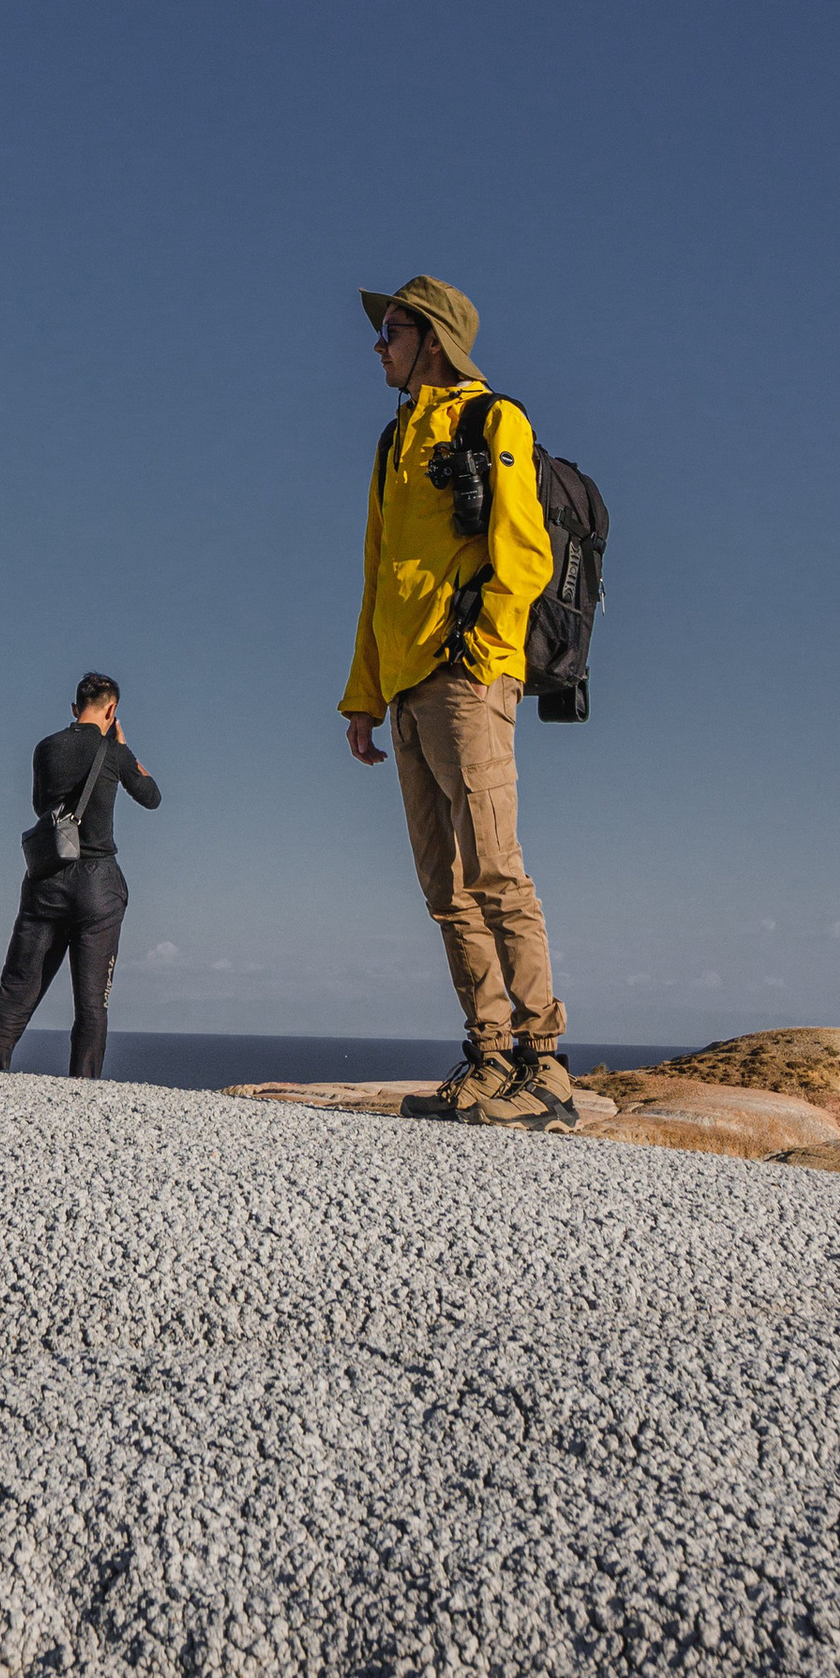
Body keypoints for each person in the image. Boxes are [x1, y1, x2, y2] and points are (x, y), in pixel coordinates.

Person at [342, 276, 573, 1130]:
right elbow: (378, 577)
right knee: (446, 886)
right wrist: (364, 697)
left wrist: (478, 656)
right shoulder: (392, 439)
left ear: (430, 339)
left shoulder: (493, 420)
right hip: (405, 690)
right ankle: (488, 1056)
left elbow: (525, 554)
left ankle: (545, 1065)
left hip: (466, 679)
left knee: (496, 872)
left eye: (391, 331)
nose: (378, 345)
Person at [0, 673, 160, 1082]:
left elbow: (41, 804)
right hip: (98, 885)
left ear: (75, 708)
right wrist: (125, 750)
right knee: (92, 1002)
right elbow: (151, 798)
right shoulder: (114, 752)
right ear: (112, 711)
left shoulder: (46, 748)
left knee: (18, 987)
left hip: (47, 879)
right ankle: (84, 1088)